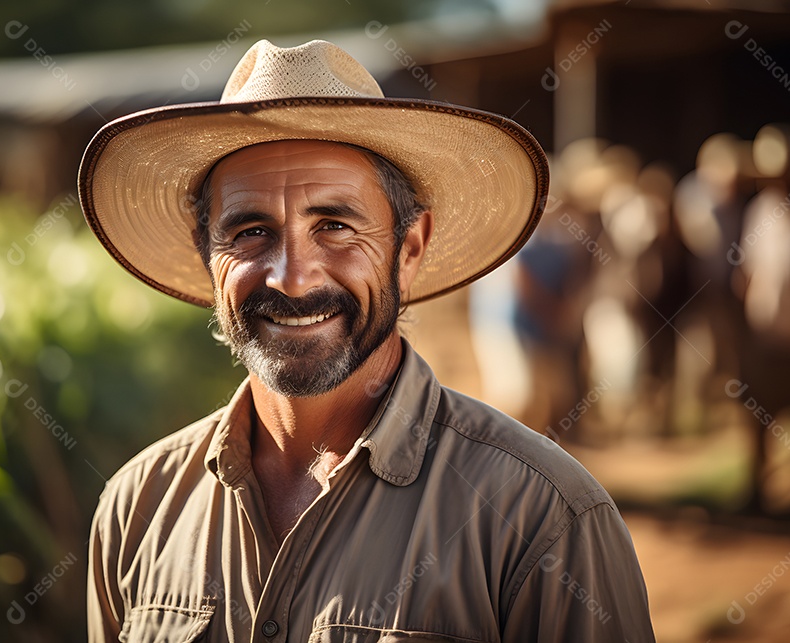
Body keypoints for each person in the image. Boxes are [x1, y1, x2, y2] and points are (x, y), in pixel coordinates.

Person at [78, 38, 655, 642]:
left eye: (335, 226)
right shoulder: (137, 510)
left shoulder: (541, 514)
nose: (292, 277)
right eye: (250, 231)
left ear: (408, 250)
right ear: (207, 259)